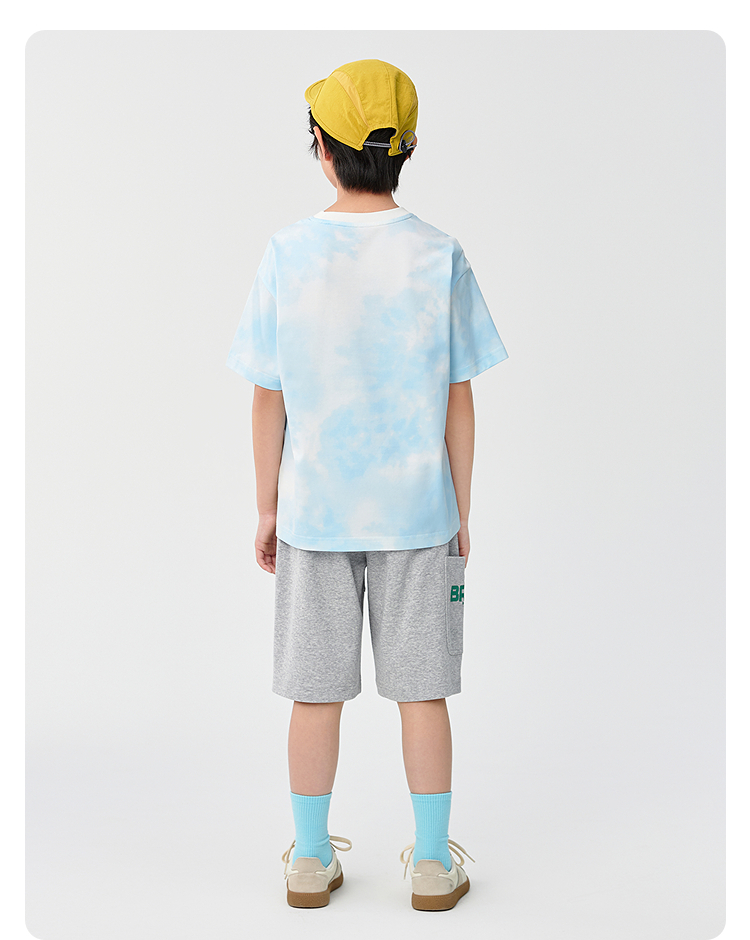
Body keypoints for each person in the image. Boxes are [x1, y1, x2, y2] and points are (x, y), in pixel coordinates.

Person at [226, 58, 509, 911]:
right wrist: (462, 511)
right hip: (419, 515)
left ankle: (311, 859)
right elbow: (459, 398)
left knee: (314, 693)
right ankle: (432, 864)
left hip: (315, 514)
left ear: (320, 146)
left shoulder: (288, 253)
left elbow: (267, 396)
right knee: (423, 692)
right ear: (408, 149)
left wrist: (268, 506)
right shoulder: (440, 253)